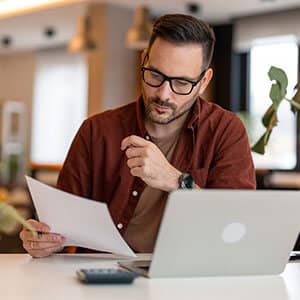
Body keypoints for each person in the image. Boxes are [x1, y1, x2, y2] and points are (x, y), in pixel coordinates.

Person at [20, 14, 256, 258]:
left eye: (182, 83)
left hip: (186, 276)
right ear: (144, 60)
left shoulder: (226, 131)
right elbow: (62, 226)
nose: (164, 94)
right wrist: (46, 240)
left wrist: (175, 181)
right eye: (155, 75)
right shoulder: (96, 131)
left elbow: (235, 225)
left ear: (204, 81)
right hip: (102, 280)